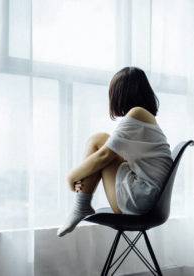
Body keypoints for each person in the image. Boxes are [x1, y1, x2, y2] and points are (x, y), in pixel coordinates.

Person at [57, 67, 173, 237]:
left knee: (98, 141)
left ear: (121, 93)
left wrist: (71, 177)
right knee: (101, 140)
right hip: (148, 199)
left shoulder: (137, 113)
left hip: (141, 201)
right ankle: (81, 205)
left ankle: (81, 205)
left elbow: (104, 156)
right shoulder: (144, 117)